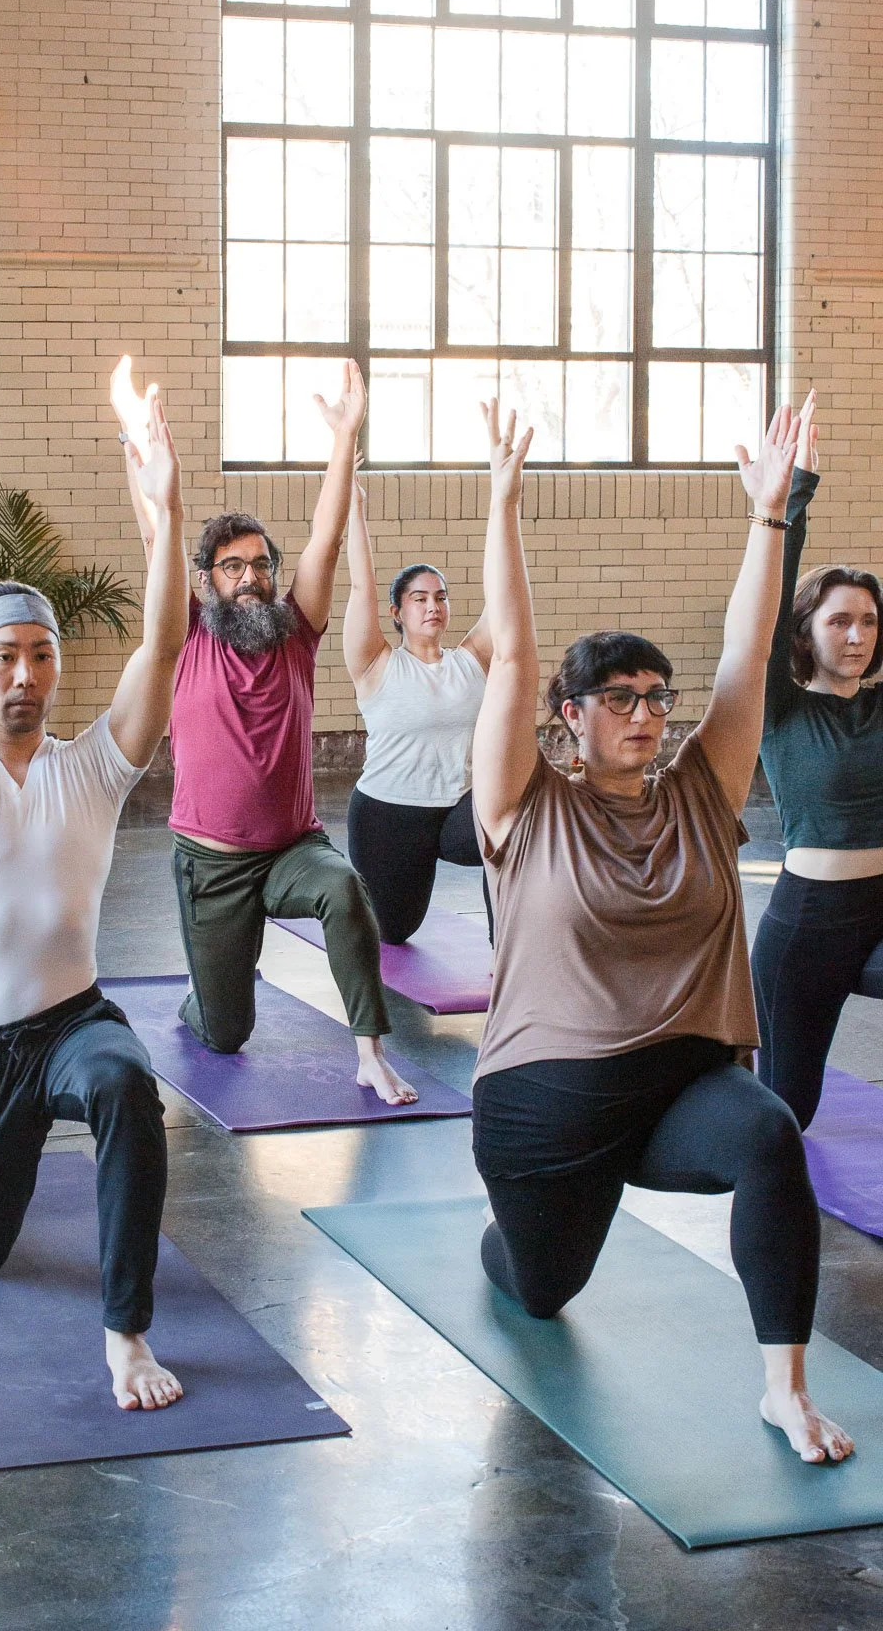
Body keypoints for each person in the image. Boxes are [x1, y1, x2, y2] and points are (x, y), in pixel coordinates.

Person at [470, 395, 852, 1465]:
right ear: (571, 717)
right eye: (619, 696)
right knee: (541, 1289)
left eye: (656, 695)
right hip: (548, 1105)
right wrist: (501, 505)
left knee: (770, 1133)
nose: (647, 711)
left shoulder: (699, 791)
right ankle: (503, 1243)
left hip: (681, 1085)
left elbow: (746, 654)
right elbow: (510, 659)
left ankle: (783, 1386)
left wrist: (771, 516)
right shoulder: (526, 805)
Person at [0, 378, 189, 1412]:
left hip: (74, 1020)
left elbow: (165, 646)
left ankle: (127, 1334)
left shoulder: (93, 767)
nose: (26, 672)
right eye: (5, 656)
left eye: (42, 653)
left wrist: (167, 514)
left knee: (124, 1087)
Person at [112, 355, 415, 1107]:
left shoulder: (297, 633)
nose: (248, 575)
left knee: (346, 890)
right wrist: (143, 464)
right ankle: (207, 986)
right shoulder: (188, 634)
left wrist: (345, 438)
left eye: (258, 564)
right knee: (224, 1032)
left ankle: (371, 1052)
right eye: (229, 566)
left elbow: (328, 534)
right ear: (207, 581)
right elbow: (156, 543)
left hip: (291, 850)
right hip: (210, 867)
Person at [752, 391, 883, 1128]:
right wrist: (789, 499)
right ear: (808, 630)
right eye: (840, 620)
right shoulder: (782, 709)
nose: (858, 634)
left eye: (869, 620)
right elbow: (764, 611)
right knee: (786, 1111)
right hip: (809, 925)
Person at [342, 464, 492, 946]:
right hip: (387, 814)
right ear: (397, 612)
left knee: (511, 835)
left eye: (441, 598)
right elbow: (362, 587)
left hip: (455, 812)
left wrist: (503, 503)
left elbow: (507, 600)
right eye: (420, 598)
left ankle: (507, 947)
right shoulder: (376, 664)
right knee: (393, 932)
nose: (433, 607)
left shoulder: (470, 661)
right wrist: (355, 510)